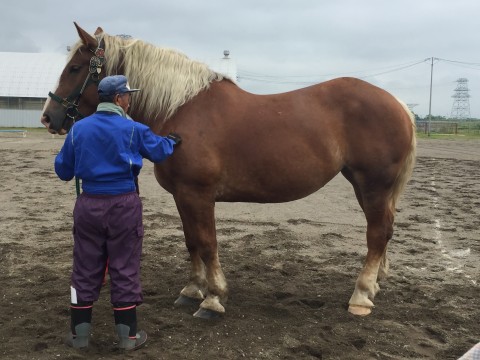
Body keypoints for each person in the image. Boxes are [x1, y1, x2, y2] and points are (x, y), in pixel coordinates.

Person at [54, 75, 182, 351]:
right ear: (118, 99)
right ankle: (127, 338)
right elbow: (160, 152)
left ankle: (80, 336)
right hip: (123, 204)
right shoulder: (133, 129)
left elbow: (63, 170)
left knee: (85, 267)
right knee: (124, 266)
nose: (130, 99)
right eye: (127, 95)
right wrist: (172, 141)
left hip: (88, 204)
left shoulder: (78, 130)